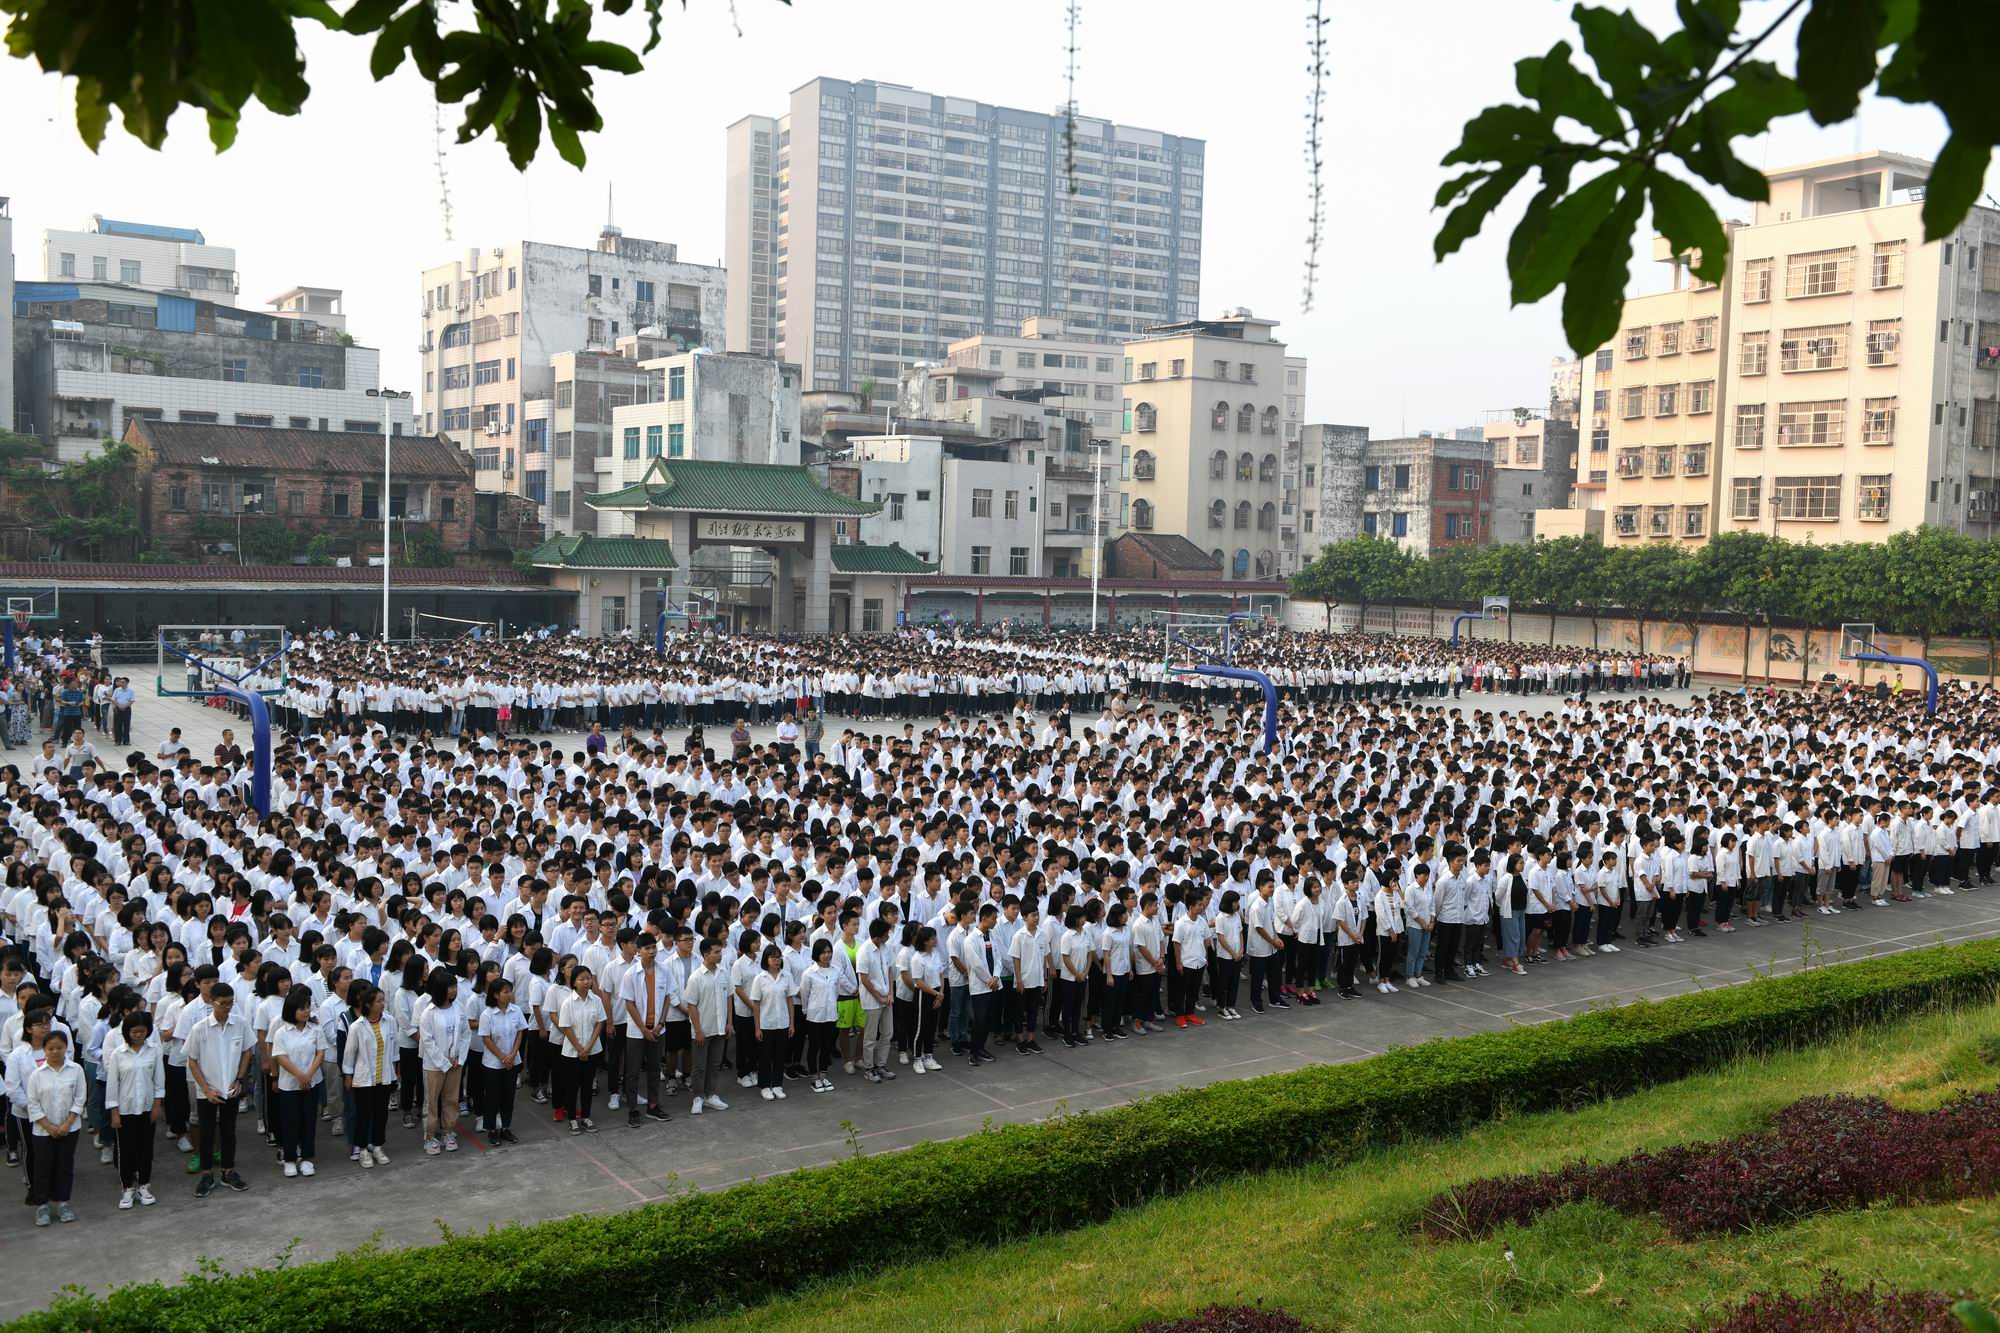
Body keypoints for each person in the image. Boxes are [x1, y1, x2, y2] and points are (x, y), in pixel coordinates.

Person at [184, 981, 252, 1198]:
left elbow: (246, 1053)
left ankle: (228, 1171)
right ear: (212, 1002)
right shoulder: (200, 1028)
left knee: (229, 1131)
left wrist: (239, 1079)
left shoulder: (239, 1024)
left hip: (230, 1088)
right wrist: (206, 1089)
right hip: (208, 1091)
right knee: (206, 1134)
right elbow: (192, 1061)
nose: (227, 1007)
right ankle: (206, 1174)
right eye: (223, 1004)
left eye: (231, 1003)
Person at [103, 1010, 164, 1207]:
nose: (138, 1035)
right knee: (126, 1150)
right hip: (125, 1110)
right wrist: (114, 1111)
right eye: (134, 1032)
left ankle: (144, 1185)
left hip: (146, 1107)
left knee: (146, 1149)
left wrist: (157, 1105)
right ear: (127, 1032)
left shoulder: (154, 1050)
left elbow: (159, 1080)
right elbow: (112, 1085)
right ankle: (127, 1188)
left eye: (142, 1031)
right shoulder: (117, 1055)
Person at [26, 1028, 87, 1225]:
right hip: (43, 1131)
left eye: (59, 1047)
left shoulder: (76, 1070)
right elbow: (33, 1104)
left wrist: (67, 1123)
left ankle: (63, 1203)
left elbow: (80, 1099)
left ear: (66, 1048)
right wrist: (49, 1126)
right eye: (50, 1048)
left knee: (64, 1165)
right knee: (42, 1167)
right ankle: (42, 1206)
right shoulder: (37, 1075)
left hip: (70, 1128)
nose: (55, 1052)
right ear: (44, 1050)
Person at [341, 983, 397, 1168]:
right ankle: (363, 1149)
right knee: (363, 1116)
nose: (383, 1004)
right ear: (368, 1004)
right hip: (364, 1080)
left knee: (381, 1115)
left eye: (383, 1000)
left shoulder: (389, 1021)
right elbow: (349, 1054)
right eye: (379, 1001)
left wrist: (396, 1071)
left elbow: (394, 1047)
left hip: (384, 1077)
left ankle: (378, 1146)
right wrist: (348, 1077)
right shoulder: (357, 1027)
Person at [269, 988, 323, 1177]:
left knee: (309, 1121)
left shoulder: (316, 1029)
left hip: (312, 1082)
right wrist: (300, 1076)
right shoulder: (281, 1033)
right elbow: (280, 1058)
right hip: (289, 1085)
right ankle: (290, 1159)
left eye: (308, 1007)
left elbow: (320, 1053)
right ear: (292, 1010)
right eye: (302, 1008)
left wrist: (308, 1075)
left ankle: (307, 1158)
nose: (307, 1011)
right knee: (291, 1122)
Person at [554, 967, 606, 1133]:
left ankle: (586, 1116)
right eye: (582, 979)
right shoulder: (568, 1003)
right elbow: (566, 1027)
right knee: (571, 1086)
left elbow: (599, 1022)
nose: (586, 982)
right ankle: (572, 1119)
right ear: (574, 982)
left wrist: (589, 1046)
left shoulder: (596, 1000)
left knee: (587, 1085)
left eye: (588, 978)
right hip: (571, 1052)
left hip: (591, 1050)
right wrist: (579, 1048)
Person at [478, 979, 526, 1145]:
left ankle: (506, 1127)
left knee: (508, 1096)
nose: (509, 995)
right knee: (492, 1097)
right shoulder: (487, 1014)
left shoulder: (516, 1010)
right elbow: (486, 1038)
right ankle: (491, 1129)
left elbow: (520, 1032)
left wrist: (512, 1054)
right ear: (495, 994)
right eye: (505, 992)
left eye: (510, 991)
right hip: (493, 1063)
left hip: (512, 1061)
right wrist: (502, 1057)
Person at [749, 945, 793, 1101]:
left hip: (782, 1023)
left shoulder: (786, 976)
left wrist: (792, 1024)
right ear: (766, 959)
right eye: (772, 957)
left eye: (778, 957)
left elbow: (789, 1000)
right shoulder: (760, 979)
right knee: (765, 1056)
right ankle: (765, 1086)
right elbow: (756, 1004)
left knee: (780, 1055)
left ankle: (777, 1085)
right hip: (766, 1024)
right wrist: (757, 1028)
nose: (776, 960)